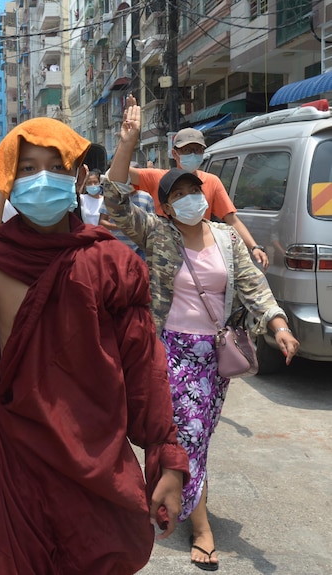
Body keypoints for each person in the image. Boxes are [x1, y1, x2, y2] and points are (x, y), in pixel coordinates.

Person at [0, 117, 190, 574]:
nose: (41, 179)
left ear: (80, 177)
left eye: (56, 166)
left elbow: (145, 370)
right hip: (17, 459)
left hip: (95, 457)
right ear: (8, 178)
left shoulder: (111, 261)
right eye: (26, 168)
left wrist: (166, 460)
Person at [104, 102, 301, 571]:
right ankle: (200, 524)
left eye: (198, 191)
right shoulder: (159, 234)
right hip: (169, 351)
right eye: (182, 193)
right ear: (168, 205)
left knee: (198, 436)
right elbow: (114, 199)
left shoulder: (226, 239)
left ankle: (167, 489)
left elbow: (255, 289)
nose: (192, 197)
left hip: (216, 355)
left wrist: (280, 326)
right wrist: (127, 142)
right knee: (188, 434)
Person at [117, 99, 269, 270]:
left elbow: (232, 220)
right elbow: (120, 174)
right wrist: (126, 142)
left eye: (197, 150)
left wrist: (253, 247)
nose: (193, 154)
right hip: (165, 256)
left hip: (202, 256)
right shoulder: (158, 178)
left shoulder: (211, 181)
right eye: (187, 150)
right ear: (175, 154)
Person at [98, 178, 155, 260]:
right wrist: (121, 225)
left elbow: (152, 225)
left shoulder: (146, 197)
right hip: (117, 247)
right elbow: (102, 222)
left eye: (132, 181)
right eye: (128, 181)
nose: (130, 184)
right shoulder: (112, 197)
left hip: (140, 249)